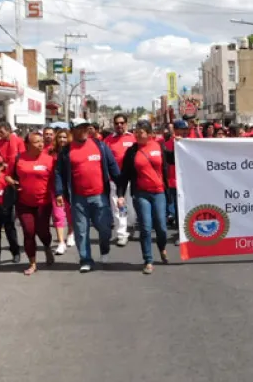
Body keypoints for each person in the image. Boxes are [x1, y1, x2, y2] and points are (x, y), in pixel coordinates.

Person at [54, 119, 120, 273]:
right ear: (73, 131)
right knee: (81, 230)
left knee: (105, 228)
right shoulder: (66, 151)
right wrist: (59, 192)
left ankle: (104, 248)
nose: (84, 130)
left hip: (99, 196)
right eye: (80, 128)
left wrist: (121, 187)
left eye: (86, 127)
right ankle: (86, 259)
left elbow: (112, 166)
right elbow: (58, 173)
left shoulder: (100, 146)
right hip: (78, 198)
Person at [117, 121, 169, 274]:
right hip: (141, 193)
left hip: (159, 192)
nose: (139, 135)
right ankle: (148, 260)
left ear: (149, 133)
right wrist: (120, 195)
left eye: (142, 132)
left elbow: (172, 159)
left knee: (161, 227)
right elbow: (125, 174)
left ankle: (162, 247)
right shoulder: (132, 151)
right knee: (145, 227)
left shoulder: (159, 147)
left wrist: (180, 143)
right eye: (137, 132)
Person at [6, 132, 56, 275]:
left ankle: (47, 246)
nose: (41, 144)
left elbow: (55, 181)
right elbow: (7, 175)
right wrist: (12, 182)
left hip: (43, 203)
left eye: (41, 141)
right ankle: (32, 263)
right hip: (23, 203)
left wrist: (59, 196)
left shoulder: (49, 160)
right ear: (27, 145)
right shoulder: (18, 158)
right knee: (29, 232)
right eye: (36, 142)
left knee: (43, 231)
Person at [105, 113, 137, 247]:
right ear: (113, 125)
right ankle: (121, 233)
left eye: (122, 123)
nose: (119, 125)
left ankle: (130, 224)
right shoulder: (107, 141)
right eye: (117, 123)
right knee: (119, 207)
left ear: (126, 123)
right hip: (115, 180)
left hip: (131, 180)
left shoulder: (133, 138)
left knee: (131, 208)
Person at [50, 129, 74, 254]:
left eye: (65, 137)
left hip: (70, 188)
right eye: (60, 137)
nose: (62, 140)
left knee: (70, 214)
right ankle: (61, 242)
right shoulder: (51, 152)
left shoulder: (72, 152)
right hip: (55, 188)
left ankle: (70, 233)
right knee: (58, 216)